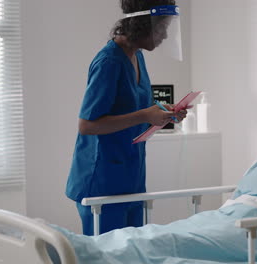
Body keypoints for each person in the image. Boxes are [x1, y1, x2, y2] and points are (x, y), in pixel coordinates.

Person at [55, 102, 257, 263]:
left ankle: (70, 251)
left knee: (162, 242)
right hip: (230, 218)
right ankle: (69, 246)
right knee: (154, 236)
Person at [65, 0, 187, 236]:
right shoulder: (109, 62)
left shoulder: (136, 55)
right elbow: (87, 125)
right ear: (142, 25)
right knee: (108, 256)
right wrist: (145, 114)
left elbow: (130, 104)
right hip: (102, 181)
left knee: (132, 252)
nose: (164, 35)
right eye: (161, 27)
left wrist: (162, 111)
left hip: (130, 175)